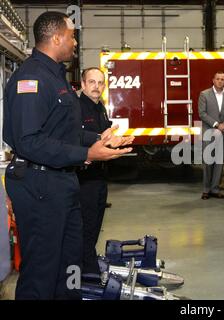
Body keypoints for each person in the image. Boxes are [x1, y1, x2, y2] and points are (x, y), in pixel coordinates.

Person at [3, 12, 133, 300]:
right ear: (57, 37)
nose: (75, 42)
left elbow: (63, 131)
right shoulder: (32, 79)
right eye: (72, 35)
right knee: (42, 271)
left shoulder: (56, 77)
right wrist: (87, 153)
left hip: (62, 184)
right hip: (40, 187)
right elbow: (28, 141)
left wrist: (100, 139)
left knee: (70, 265)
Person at [77, 67, 113, 274]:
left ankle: (88, 261)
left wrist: (114, 140)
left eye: (100, 83)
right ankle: (86, 271)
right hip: (84, 178)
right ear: (83, 84)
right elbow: (76, 138)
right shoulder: (76, 108)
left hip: (100, 176)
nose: (96, 87)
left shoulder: (100, 107)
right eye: (92, 82)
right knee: (86, 226)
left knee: (95, 224)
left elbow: (105, 134)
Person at [198, 71, 224, 200]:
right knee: (208, 162)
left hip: (223, 132)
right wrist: (216, 125)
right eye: (218, 79)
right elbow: (202, 113)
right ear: (213, 80)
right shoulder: (204, 94)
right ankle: (206, 190)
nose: (220, 81)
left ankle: (215, 189)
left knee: (219, 162)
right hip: (209, 132)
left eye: (223, 79)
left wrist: (223, 125)